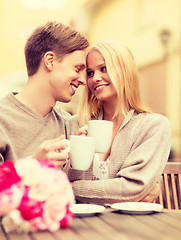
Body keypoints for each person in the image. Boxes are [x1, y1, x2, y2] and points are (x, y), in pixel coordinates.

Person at [65, 40, 171, 204]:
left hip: (130, 224)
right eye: (90, 73)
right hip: (82, 221)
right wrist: (75, 158)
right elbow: (58, 179)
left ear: (125, 71)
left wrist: (71, 189)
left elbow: (132, 187)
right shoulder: (74, 124)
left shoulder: (153, 126)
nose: (95, 78)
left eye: (104, 69)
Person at [0, 21, 89, 167]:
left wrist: (77, 159)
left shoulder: (69, 124)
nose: (83, 80)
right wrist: (34, 164)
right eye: (78, 69)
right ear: (50, 61)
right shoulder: (3, 119)